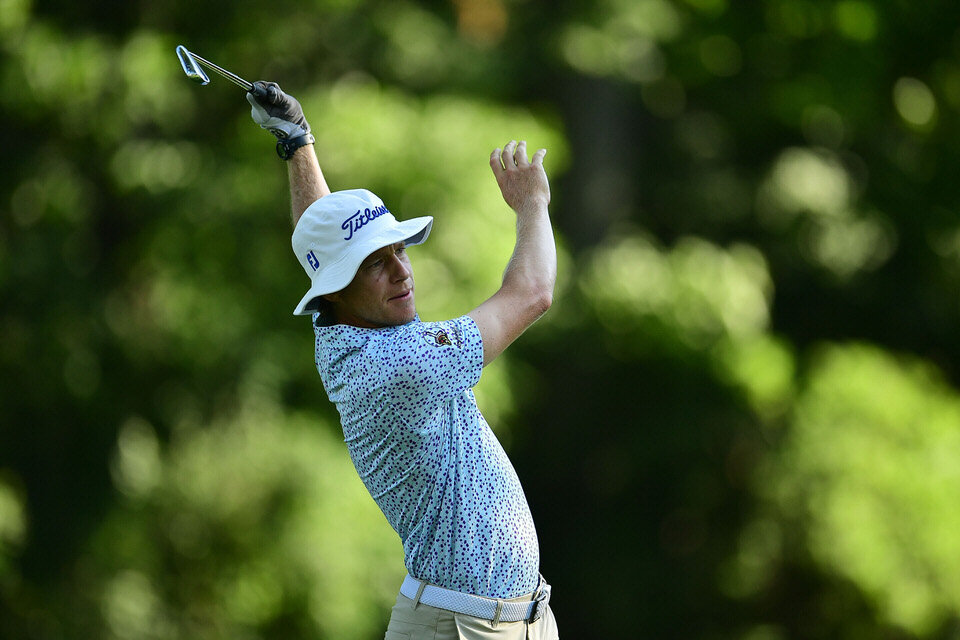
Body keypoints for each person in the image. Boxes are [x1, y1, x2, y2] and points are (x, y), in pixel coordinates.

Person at [247, 81, 560, 640]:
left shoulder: (343, 322)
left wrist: (298, 143)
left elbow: (322, 233)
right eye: (376, 263)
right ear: (338, 288)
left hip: (507, 621)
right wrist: (532, 205)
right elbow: (532, 293)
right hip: (458, 627)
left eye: (399, 249)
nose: (401, 271)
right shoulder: (403, 364)